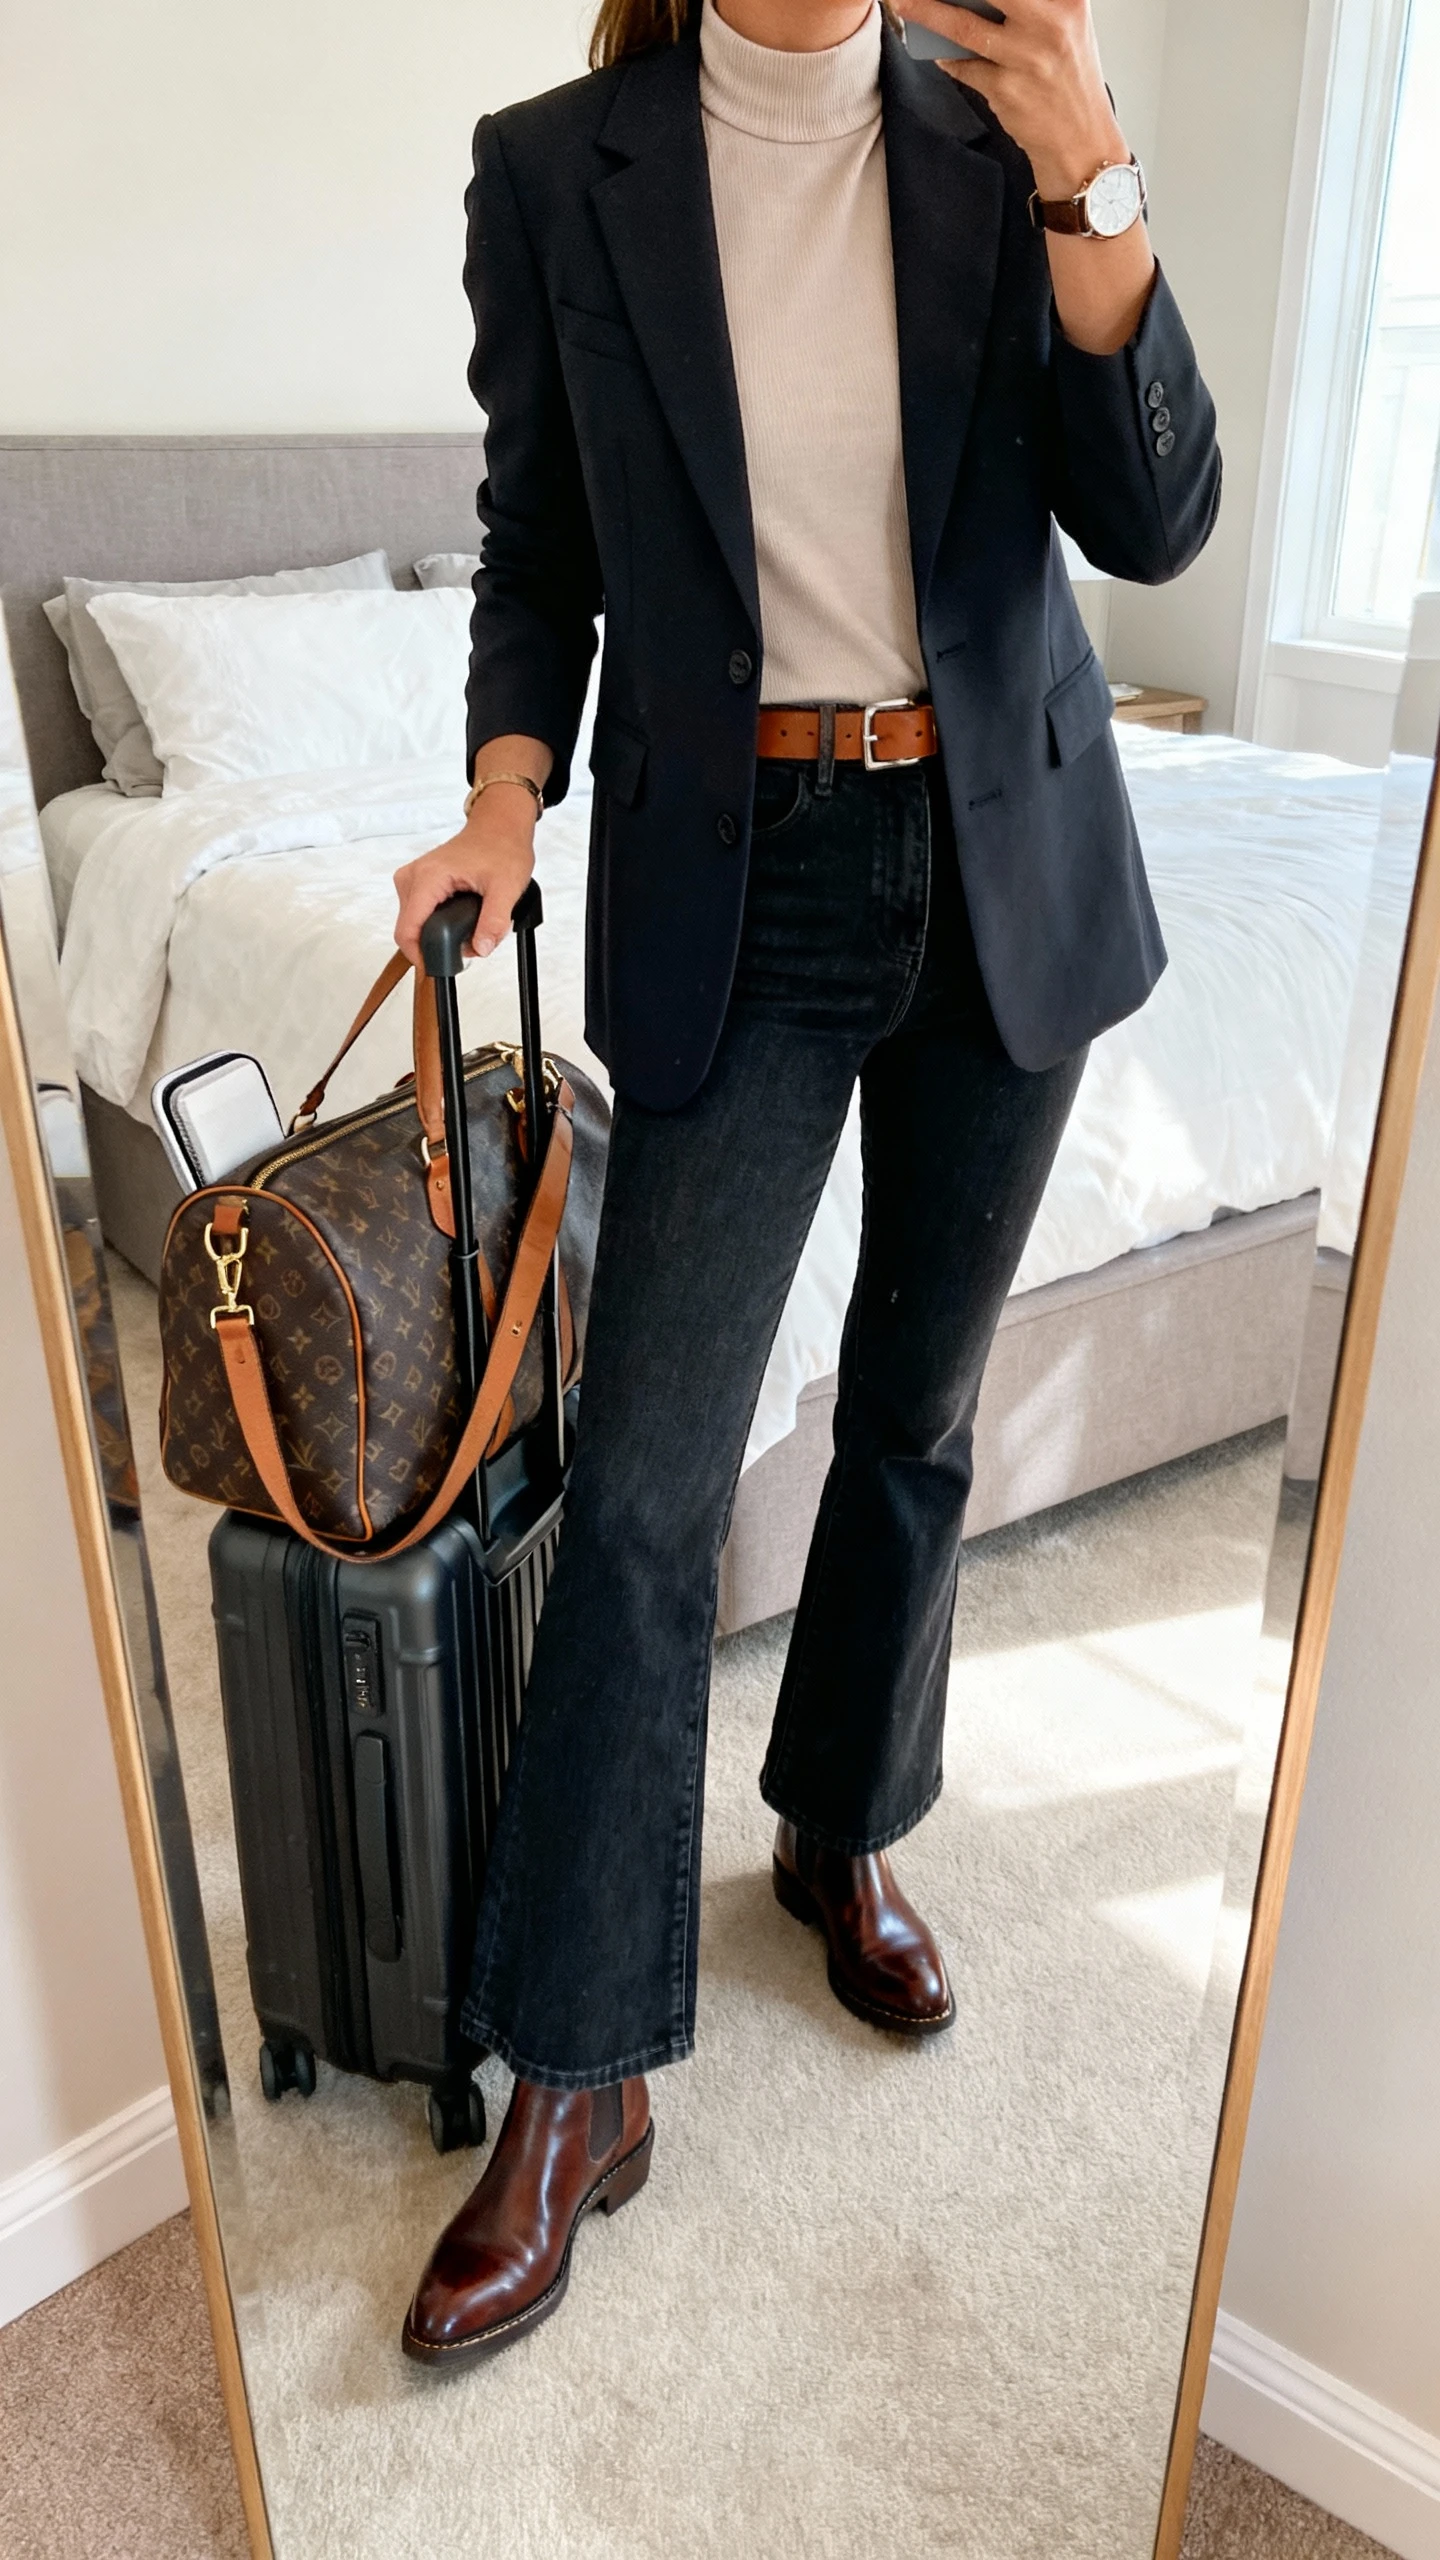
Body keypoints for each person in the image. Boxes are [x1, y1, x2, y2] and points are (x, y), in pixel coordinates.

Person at [394, 0, 1220, 2370]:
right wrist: (501, 793)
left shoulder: (995, 139)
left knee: (915, 1413)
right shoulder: (562, 164)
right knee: (647, 1492)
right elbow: (538, 536)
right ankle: (578, 2072)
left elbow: (1153, 518)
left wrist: (1100, 178)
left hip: (1000, 855)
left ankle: (838, 1822)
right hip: (732, 878)